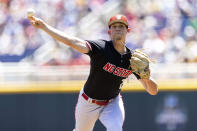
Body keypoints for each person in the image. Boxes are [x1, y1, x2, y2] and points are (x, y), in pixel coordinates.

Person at [28, 14, 158, 131]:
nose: (118, 28)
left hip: (112, 103)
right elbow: (72, 42)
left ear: (127, 30)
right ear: (109, 31)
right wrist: (45, 27)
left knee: (115, 128)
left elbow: (152, 90)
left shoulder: (132, 59)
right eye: (114, 26)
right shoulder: (101, 48)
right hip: (88, 102)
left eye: (121, 26)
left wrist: (146, 76)